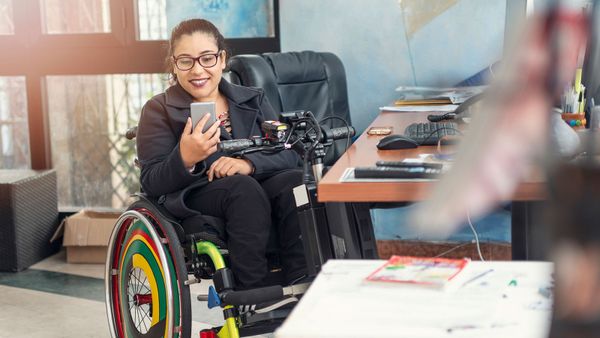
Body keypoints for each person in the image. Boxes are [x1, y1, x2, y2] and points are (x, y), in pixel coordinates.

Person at [136, 18, 307, 289]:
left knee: (295, 181)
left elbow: (289, 152)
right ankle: (253, 290)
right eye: (186, 61)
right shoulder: (159, 110)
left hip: (253, 181)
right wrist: (185, 157)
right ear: (174, 64)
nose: (197, 70)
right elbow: (151, 181)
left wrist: (249, 163)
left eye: (206, 58)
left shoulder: (252, 98)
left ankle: (301, 281)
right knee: (242, 189)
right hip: (197, 193)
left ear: (222, 59)